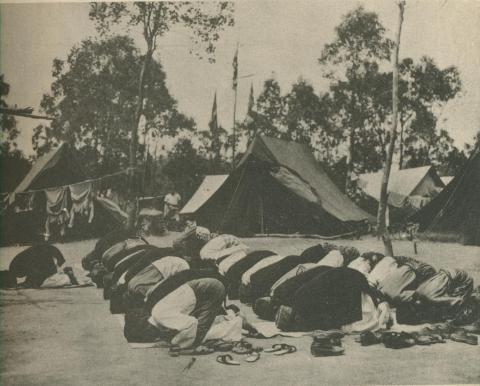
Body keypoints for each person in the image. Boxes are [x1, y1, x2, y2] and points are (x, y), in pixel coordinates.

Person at [124, 278, 226, 348]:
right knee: (194, 330)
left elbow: (192, 323)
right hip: (201, 287)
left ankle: (238, 321)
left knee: (198, 336)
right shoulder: (155, 313)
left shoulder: (161, 317)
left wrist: (176, 342)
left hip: (210, 290)